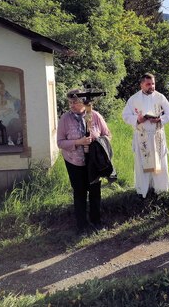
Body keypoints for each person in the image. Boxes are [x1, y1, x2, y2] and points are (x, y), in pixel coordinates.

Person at [57, 89, 111, 234]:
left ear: (84, 102)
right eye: (70, 102)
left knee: (95, 191)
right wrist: (78, 142)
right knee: (80, 192)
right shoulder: (65, 119)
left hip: (93, 161)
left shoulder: (95, 116)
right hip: (74, 162)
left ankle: (96, 221)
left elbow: (107, 135)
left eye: (75, 102)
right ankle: (82, 225)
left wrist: (95, 142)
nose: (72, 105)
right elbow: (60, 143)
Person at [122, 73, 169, 198]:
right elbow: (125, 116)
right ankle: (143, 190)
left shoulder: (160, 97)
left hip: (157, 135)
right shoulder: (134, 99)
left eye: (153, 84)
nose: (151, 86)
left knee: (160, 162)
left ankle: (161, 190)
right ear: (141, 85)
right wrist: (137, 119)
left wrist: (160, 119)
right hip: (142, 136)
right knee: (142, 163)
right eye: (148, 84)